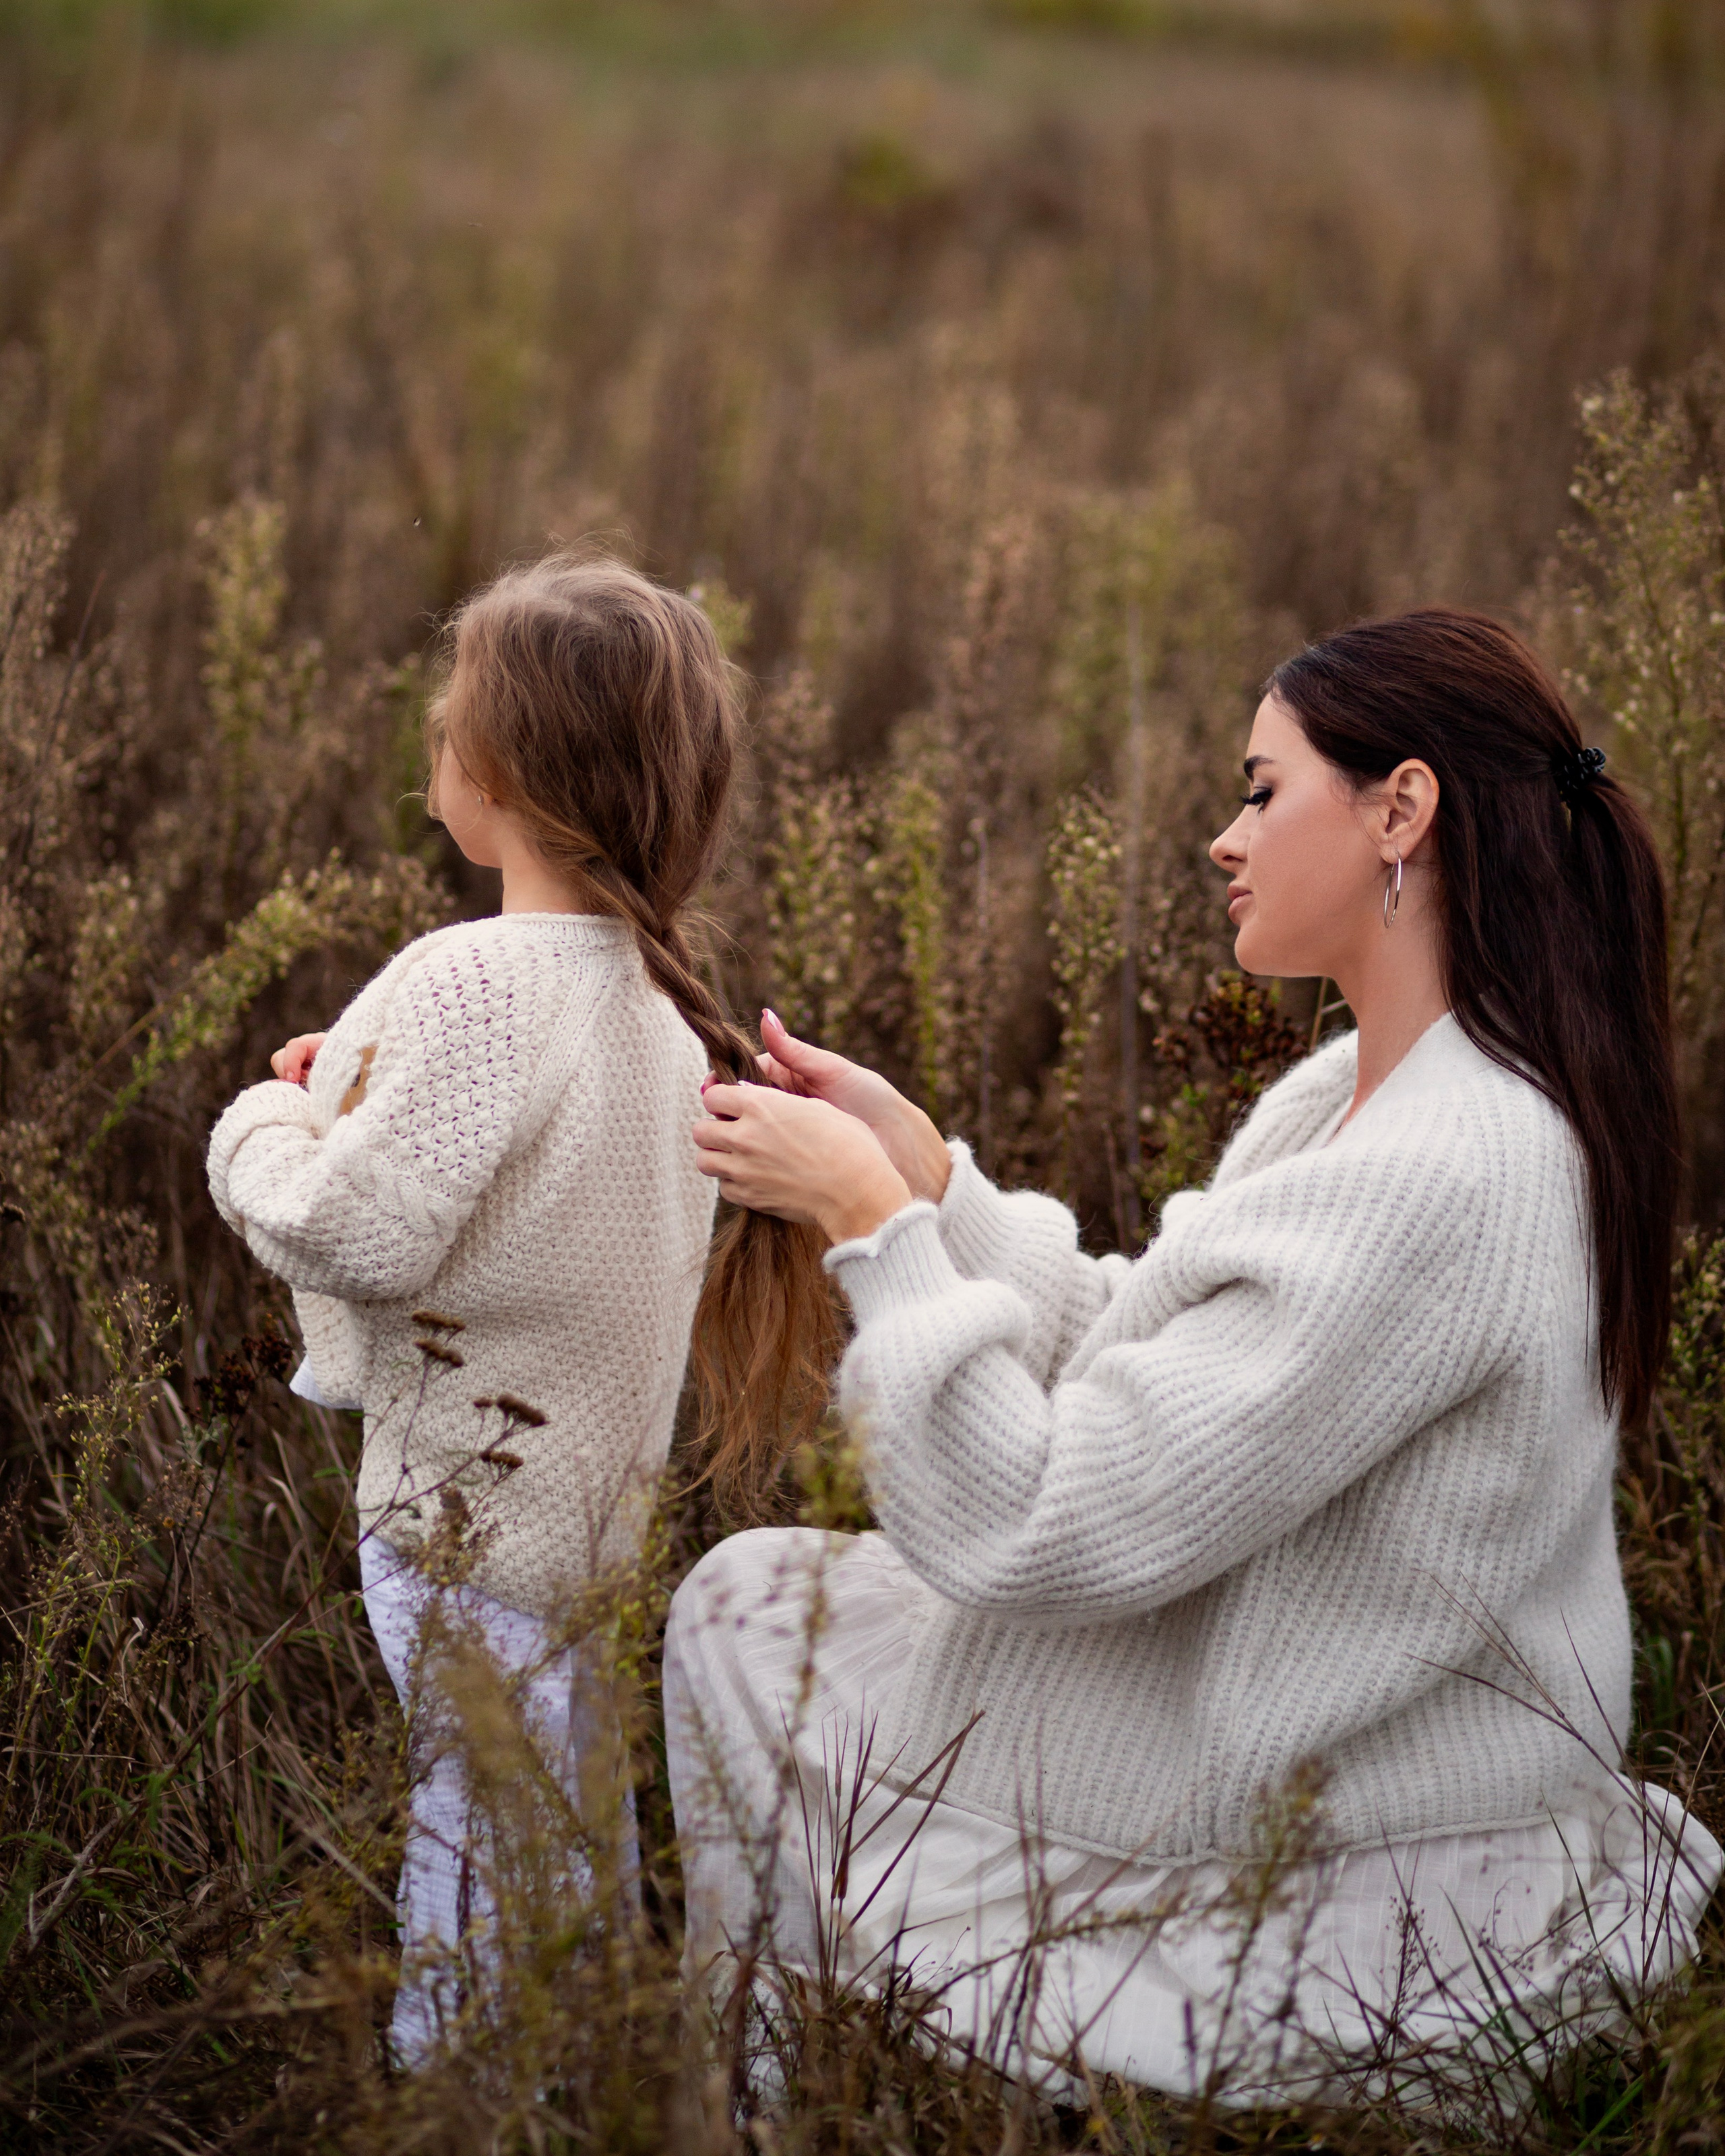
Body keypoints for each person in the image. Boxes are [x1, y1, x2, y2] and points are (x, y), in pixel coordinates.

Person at [667, 608, 1723, 2107]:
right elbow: (1146, 1353)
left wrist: (863, 1227)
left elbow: (1032, 1518)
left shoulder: (1439, 1169)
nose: (1223, 839)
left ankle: (743, 2108)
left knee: (744, 1609)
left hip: (1344, 1850)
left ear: (1398, 811)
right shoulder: (1378, 1093)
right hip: (1343, 1756)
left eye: (1259, 789)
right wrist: (924, 1178)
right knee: (766, 1596)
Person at [206, 556, 788, 2065]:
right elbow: (524, 1182)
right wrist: (358, 1084)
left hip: (453, 1531)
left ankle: (457, 2098)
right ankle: (584, 2082)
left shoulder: (474, 979)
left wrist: (255, 1132)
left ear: (504, 769)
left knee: (472, 1871)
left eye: (448, 719)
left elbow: (360, 1230)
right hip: (584, 1535)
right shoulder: (654, 1000)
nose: (432, 748)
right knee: (556, 1845)